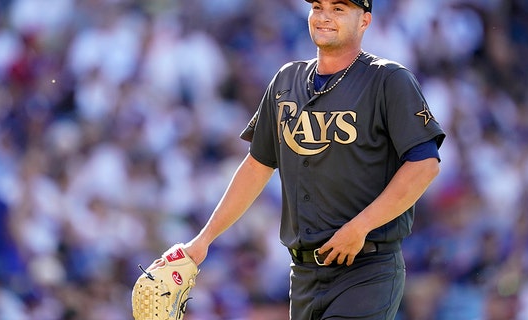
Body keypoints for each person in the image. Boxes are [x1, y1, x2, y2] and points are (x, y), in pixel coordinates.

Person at [148, 0, 445, 318]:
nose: (324, 16)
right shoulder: (286, 81)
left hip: (366, 268)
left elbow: (424, 164)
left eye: (339, 8)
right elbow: (256, 165)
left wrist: (360, 227)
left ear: (365, 21)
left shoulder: (388, 80)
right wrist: (202, 241)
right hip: (303, 273)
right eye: (318, 6)